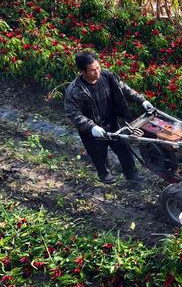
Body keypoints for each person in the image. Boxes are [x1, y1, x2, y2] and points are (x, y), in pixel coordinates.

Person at [63, 51, 153, 186]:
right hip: (92, 128)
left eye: (98, 67)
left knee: (124, 148)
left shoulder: (107, 76)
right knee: (98, 153)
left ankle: (131, 174)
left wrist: (141, 100)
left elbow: (123, 88)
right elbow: (74, 114)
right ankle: (104, 174)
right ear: (82, 71)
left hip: (111, 121)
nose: (97, 72)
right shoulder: (75, 91)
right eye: (92, 70)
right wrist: (91, 127)